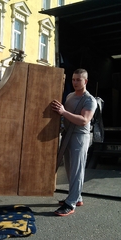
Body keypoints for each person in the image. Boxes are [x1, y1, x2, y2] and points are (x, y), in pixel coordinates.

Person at [51, 68, 97, 216]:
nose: (75, 82)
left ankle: (70, 204)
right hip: (67, 135)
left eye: (78, 80)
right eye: (73, 79)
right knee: (70, 169)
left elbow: (84, 120)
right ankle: (77, 198)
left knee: (77, 170)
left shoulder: (90, 100)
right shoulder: (70, 96)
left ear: (86, 81)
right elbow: (65, 116)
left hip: (79, 137)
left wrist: (63, 112)